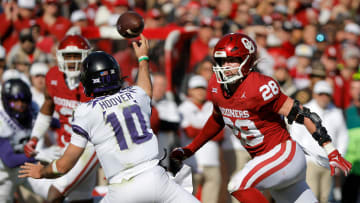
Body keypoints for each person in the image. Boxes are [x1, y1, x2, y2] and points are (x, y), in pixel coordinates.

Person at [170, 33, 352, 203]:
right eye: (222, 60)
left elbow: (304, 114)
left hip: (283, 155)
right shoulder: (216, 85)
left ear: (247, 61)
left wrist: (330, 149)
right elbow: (217, 119)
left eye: (232, 60)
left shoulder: (259, 86)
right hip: (268, 164)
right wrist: (191, 149)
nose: (225, 66)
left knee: (238, 185)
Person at [18, 35, 200, 203]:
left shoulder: (86, 111)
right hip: (156, 178)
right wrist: (143, 58)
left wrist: (41, 171)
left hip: (123, 188)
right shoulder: (136, 94)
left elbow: (64, 166)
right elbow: (146, 88)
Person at [22, 34, 98, 202]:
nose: (72, 61)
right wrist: (34, 138)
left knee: (56, 191)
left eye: (76, 56)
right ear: (59, 57)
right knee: (80, 199)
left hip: (90, 146)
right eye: (68, 56)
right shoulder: (53, 77)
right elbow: (47, 108)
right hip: (66, 145)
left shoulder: (94, 81)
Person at [0, 79, 60, 202]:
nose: (20, 105)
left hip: (27, 166)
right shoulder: (1, 117)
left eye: (23, 101)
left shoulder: (32, 108)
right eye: (14, 101)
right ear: (6, 101)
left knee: (56, 192)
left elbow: (54, 122)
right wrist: (40, 155)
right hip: (3, 172)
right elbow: (9, 160)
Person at [290, 80, 349, 203]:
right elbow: (295, 136)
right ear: (315, 94)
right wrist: (304, 158)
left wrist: (338, 156)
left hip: (328, 163)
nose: (323, 97)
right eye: (321, 94)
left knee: (326, 198)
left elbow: (343, 137)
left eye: (326, 94)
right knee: (312, 196)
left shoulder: (336, 112)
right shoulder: (305, 111)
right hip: (310, 162)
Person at [179, 75, 222, 203]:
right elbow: (189, 131)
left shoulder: (212, 106)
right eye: (196, 88)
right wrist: (210, 132)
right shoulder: (183, 108)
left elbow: (220, 135)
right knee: (187, 200)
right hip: (191, 162)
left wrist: (199, 131)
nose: (200, 91)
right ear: (189, 91)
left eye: (203, 88)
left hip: (213, 162)